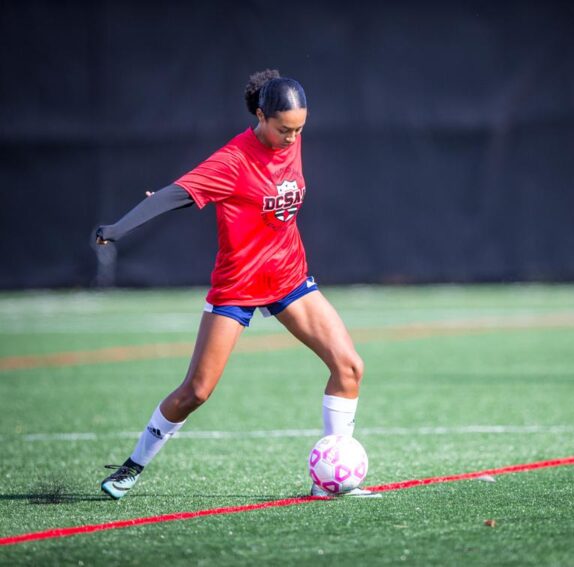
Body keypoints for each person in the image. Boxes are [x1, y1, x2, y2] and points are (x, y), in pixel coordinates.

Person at [95, 69, 378, 498]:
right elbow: (175, 194)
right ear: (261, 117)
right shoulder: (232, 161)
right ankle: (131, 467)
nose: (292, 138)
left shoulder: (290, 135)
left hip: (288, 276)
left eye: (299, 129)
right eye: (284, 129)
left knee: (349, 367)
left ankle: (329, 484)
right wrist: (118, 228)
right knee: (197, 391)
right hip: (239, 284)